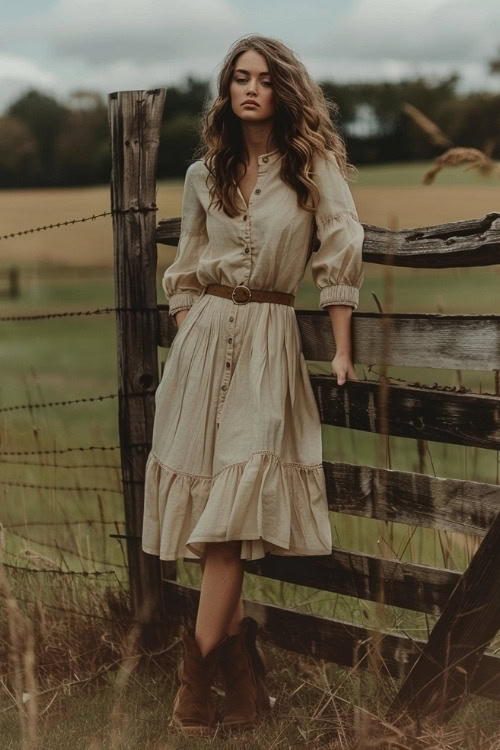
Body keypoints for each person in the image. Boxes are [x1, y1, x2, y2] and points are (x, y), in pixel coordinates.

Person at [142, 34, 364, 735]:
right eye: (239, 77)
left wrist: (341, 348)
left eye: (264, 79)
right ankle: (244, 692)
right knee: (214, 526)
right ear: (226, 90)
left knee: (232, 520)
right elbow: (187, 266)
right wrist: (187, 322)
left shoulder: (312, 165)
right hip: (203, 347)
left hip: (269, 342)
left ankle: (193, 683)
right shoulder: (202, 173)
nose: (250, 89)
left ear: (283, 90)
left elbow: (341, 245)